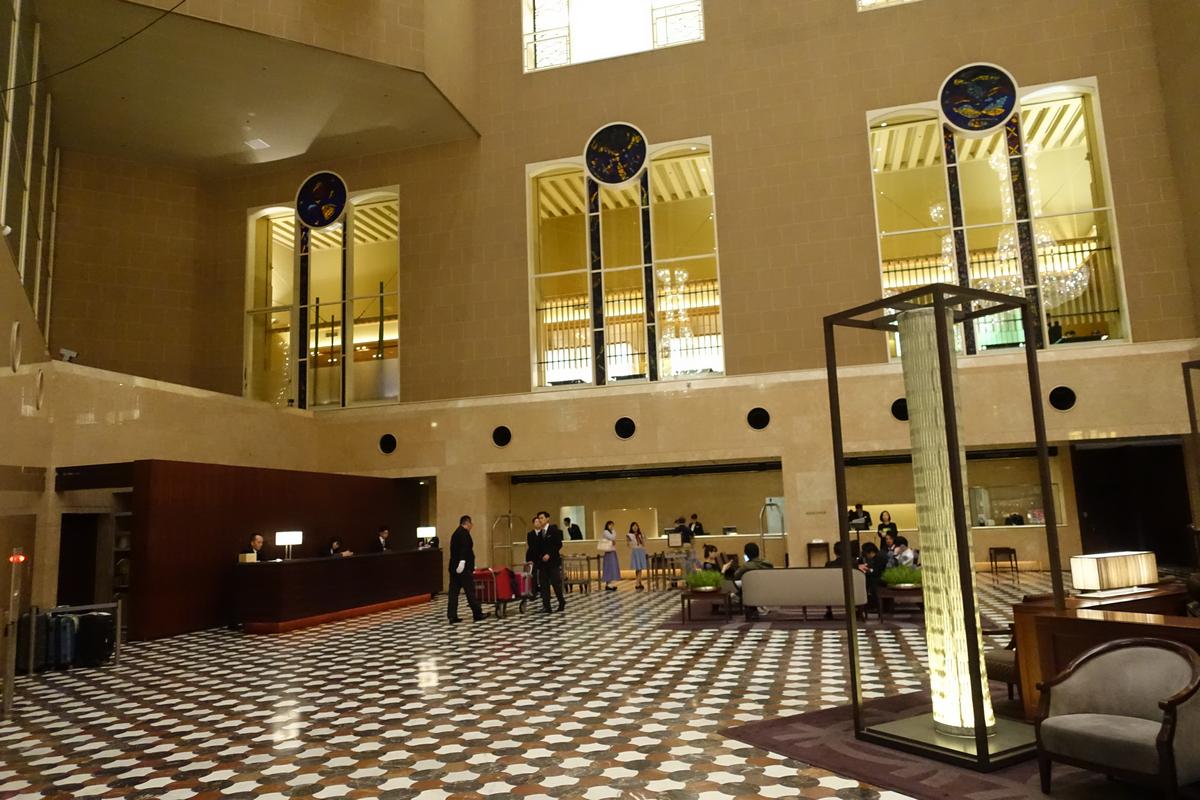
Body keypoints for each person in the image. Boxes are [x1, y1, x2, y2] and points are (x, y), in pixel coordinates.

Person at [447, 515, 486, 624]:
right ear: (467, 523)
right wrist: (463, 561)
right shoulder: (464, 534)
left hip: (454, 568)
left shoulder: (455, 533)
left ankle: (452, 615)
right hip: (462, 568)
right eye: (471, 524)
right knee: (470, 591)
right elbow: (464, 549)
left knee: (453, 593)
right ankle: (477, 613)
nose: (471, 526)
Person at [533, 511, 566, 613]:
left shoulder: (554, 530)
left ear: (547, 518)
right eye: (539, 518)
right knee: (543, 584)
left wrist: (549, 554)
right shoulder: (540, 533)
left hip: (553, 562)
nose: (540, 520)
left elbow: (558, 545)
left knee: (555, 583)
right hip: (542, 564)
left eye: (542, 518)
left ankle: (561, 601)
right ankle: (546, 606)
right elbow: (537, 548)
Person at [627, 521, 648, 591]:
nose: (635, 527)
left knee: (640, 568)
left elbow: (644, 544)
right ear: (631, 527)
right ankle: (637, 583)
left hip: (641, 551)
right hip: (635, 551)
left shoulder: (640, 534)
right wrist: (629, 542)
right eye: (633, 526)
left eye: (636, 526)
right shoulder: (629, 535)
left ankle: (639, 582)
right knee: (638, 568)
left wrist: (644, 537)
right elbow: (628, 544)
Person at [599, 520, 619, 591]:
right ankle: (608, 584)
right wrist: (614, 532)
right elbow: (612, 538)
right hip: (608, 552)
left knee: (612, 567)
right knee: (609, 567)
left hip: (612, 551)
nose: (611, 527)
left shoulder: (611, 532)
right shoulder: (606, 532)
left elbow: (613, 538)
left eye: (612, 525)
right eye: (610, 525)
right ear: (607, 525)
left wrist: (613, 533)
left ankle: (610, 583)